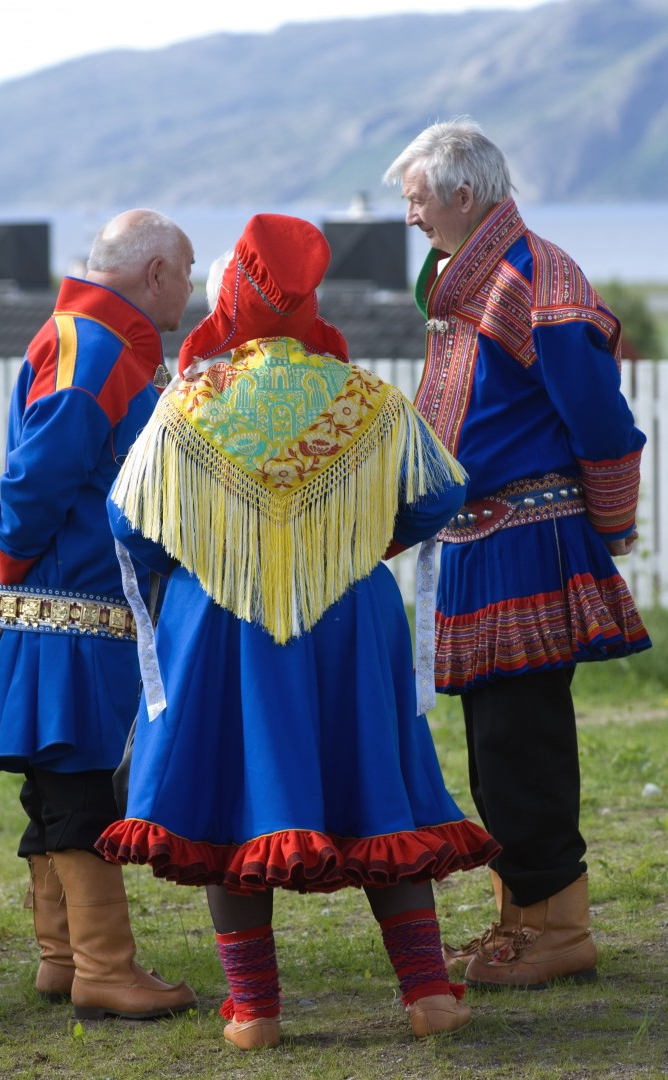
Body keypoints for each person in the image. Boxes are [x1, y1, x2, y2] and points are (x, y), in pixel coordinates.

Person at [95, 213, 501, 1050]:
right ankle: (427, 994)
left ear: (234, 298)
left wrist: (213, 539)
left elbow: (127, 521)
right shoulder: (364, 398)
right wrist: (351, 539)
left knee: (233, 798)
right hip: (347, 614)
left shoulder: (193, 399)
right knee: (374, 785)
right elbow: (439, 494)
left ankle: (254, 1013)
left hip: (221, 622)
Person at [382, 118, 651, 990]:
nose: (412, 216)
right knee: (495, 741)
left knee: (523, 739)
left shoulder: (537, 277)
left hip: (528, 540)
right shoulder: (472, 280)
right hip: (480, 538)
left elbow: (600, 418)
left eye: (417, 200)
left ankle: (556, 931)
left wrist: (609, 524)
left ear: (464, 195)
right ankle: (519, 922)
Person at [0, 209, 198, 1021]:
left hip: (77, 602)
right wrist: (15, 562)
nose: (193, 288)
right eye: (188, 270)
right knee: (75, 783)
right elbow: (35, 482)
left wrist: (14, 564)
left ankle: (62, 959)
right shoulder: (94, 345)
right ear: (156, 274)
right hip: (77, 608)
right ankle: (102, 968)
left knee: (62, 780)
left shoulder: (96, 341)